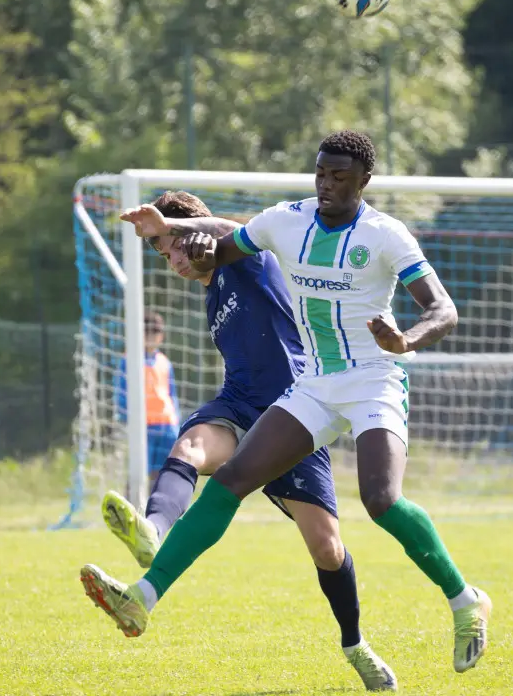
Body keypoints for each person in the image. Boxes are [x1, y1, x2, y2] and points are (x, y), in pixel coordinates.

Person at [82, 130, 492, 674]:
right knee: (230, 481)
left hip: (374, 378)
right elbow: (225, 245)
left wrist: (407, 340)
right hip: (315, 385)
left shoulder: (386, 235)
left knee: (380, 500)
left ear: (364, 181)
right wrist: (181, 235)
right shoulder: (288, 220)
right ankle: (142, 597)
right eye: (320, 173)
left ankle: (466, 601)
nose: (325, 184)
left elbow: (443, 310)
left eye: (339, 176)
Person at [82, 189, 397, 692]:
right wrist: (169, 232)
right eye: (164, 254)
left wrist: (172, 223)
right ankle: (153, 533)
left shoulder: (247, 260)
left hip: (293, 412)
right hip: (236, 402)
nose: (172, 262)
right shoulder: (212, 295)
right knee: (189, 449)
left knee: (327, 548)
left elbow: (230, 231)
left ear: (194, 232)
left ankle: (355, 644)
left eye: (172, 248)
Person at [113, 312, 180, 483]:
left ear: (161, 336)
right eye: (147, 332)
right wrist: (126, 418)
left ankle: (156, 508)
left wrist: (177, 422)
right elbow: (121, 391)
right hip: (143, 426)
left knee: (162, 474)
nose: (151, 336)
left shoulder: (165, 362)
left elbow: (171, 395)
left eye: (155, 332)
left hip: (167, 426)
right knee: (137, 473)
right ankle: (129, 506)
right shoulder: (129, 360)